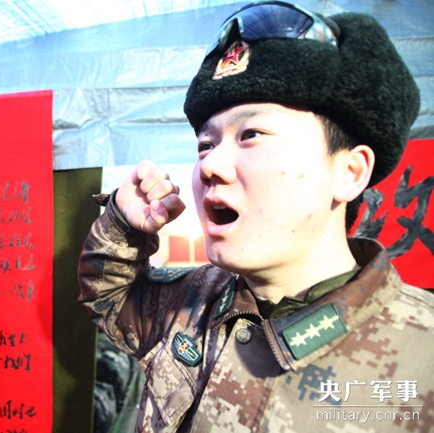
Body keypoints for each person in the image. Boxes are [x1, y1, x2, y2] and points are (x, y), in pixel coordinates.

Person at [77, 1, 434, 432]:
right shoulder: (193, 300)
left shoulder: (422, 354)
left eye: (251, 134)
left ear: (349, 172)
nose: (210, 165)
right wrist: (121, 223)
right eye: (205, 145)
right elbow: (109, 300)